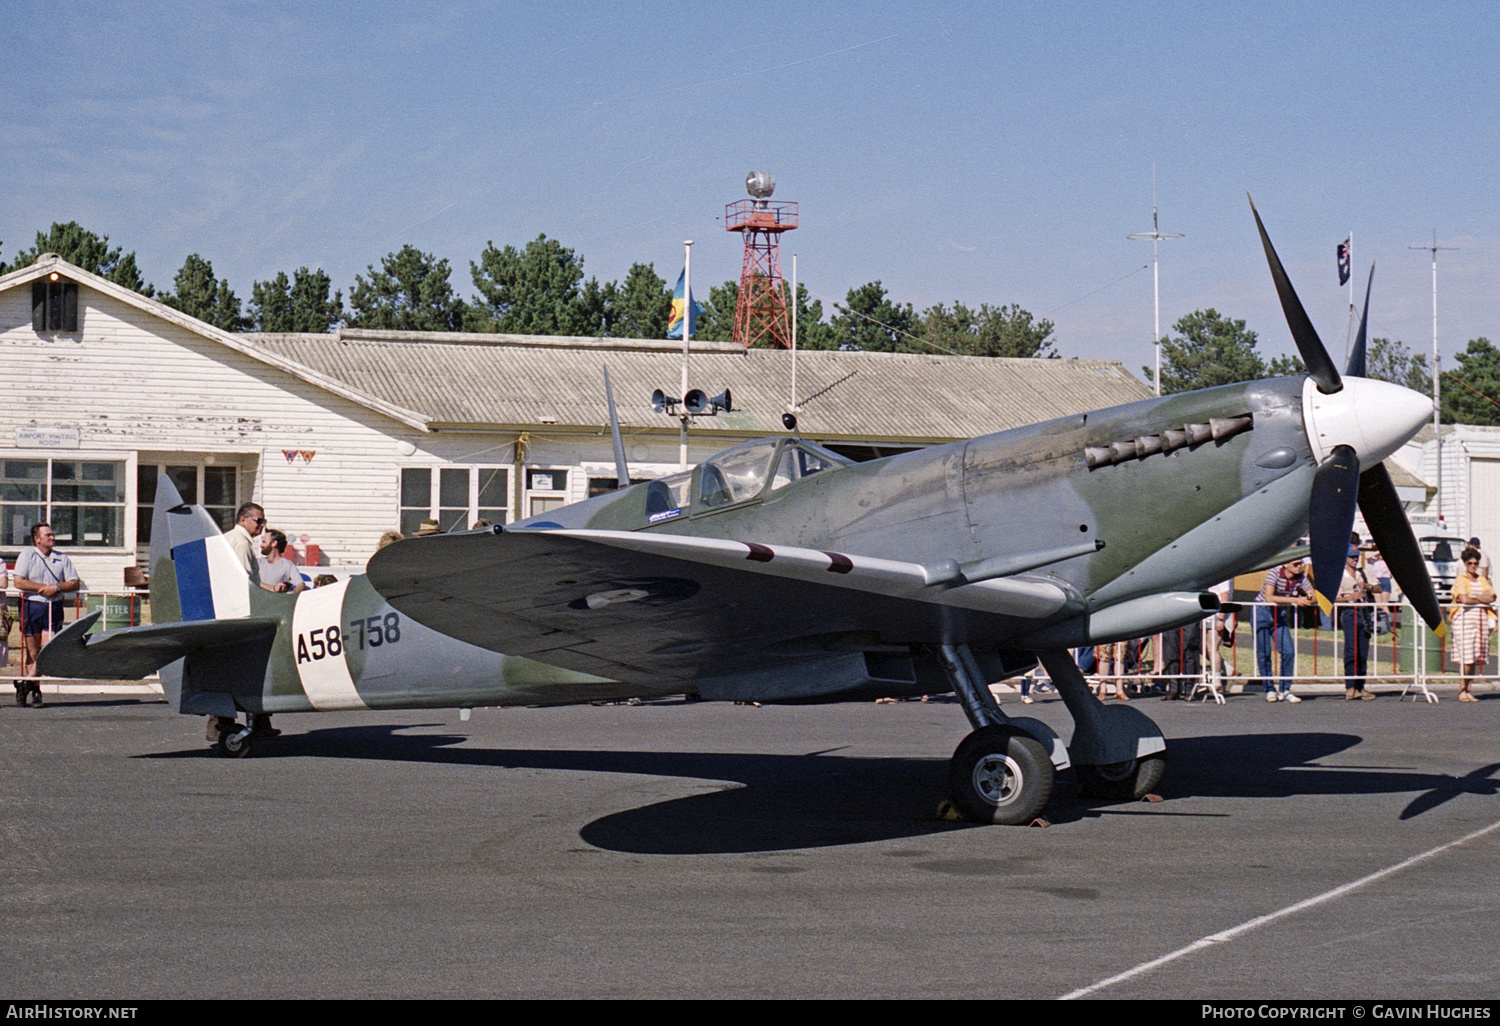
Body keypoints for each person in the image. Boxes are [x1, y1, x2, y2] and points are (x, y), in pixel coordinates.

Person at [13, 523, 79, 707]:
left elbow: (74, 582)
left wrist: (57, 588)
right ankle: (35, 690)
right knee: (33, 652)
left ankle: (25, 683)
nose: (52, 538)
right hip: (32, 606)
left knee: (49, 650)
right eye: (47, 535)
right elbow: (19, 581)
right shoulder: (27, 555)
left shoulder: (61, 558)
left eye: (52, 534)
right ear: (37, 539)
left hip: (54, 607)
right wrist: (43, 588)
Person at [1257, 558, 1313, 702]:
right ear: (1286, 564)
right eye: (1295, 564)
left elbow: (1312, 594)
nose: (1299, 566)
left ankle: (1285, 689)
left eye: (1300, 563)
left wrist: (1308, 598)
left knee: (1288, 651)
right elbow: (1269, 597)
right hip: (1261, 611)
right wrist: (1295, 600)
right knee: (1264, 652)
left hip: (1279, 613)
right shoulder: (1274, 573)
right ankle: (1269, 689)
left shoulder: (1301, 576)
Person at [1449, 546, 1495, 703]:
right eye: (1470, 563)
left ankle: (1468, 689)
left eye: (1476, 563)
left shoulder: (1482, 580)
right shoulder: (1461, 580)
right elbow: (1464, 599)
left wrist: (1475, 597)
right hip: (1464, 620)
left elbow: (1491, 597)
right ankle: (1462, 689)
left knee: (1475, 657)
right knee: (1466, 657)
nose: (1473, 566)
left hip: (1480, 620)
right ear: (1465, 563)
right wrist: (1480, 597)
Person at [1337, 545, 1381, 699]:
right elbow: (1333, 598)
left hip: (1365, 612)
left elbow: (1378, 588)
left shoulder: (1364, 572)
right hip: (1349, 612)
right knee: (1351, 650)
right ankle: (1350, 686)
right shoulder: (1339, 574)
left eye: (1356, 557)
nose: (1354, 560)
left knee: (1363, 651)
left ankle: (1360, 686)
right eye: (1351, 557)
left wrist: (1367, 586)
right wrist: (1348, 598)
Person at [225, 502, 265, 586]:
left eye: (264, 522)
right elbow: (244, 580)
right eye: (259, 521)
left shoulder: (230, 537)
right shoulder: (242, 543)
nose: (262, 525)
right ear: (242, 519)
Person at [258, 529, 306, 594]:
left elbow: (301, 585)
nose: (260, 545)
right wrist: (273, 588)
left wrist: (292, 594)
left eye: (264, 542)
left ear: (274, 543)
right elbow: (251, 581)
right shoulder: (258, 563)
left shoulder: (288, 565)